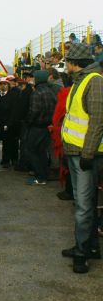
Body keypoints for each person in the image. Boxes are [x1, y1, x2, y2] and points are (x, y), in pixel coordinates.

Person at [60, 43, 103, 273]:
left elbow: (97, 120)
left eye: (67, 61)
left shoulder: (93, 81)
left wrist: (87, 154)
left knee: (84, 206)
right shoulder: (81, 81)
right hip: (76, 153)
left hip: (85, 155)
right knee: (84, 203)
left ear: (74, 63)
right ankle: (92, 247)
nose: (65, 64)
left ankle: (82, 253)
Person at [23, 70, 56, 185]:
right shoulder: (51, 92)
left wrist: (28, 122)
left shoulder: (36, 93)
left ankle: (39, 177)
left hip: (36, 127)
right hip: (46, 127)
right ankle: (44, 175)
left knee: (32, 151)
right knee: (42, 152)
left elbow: (34, 112)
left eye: (34, 78)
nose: (32, 80)